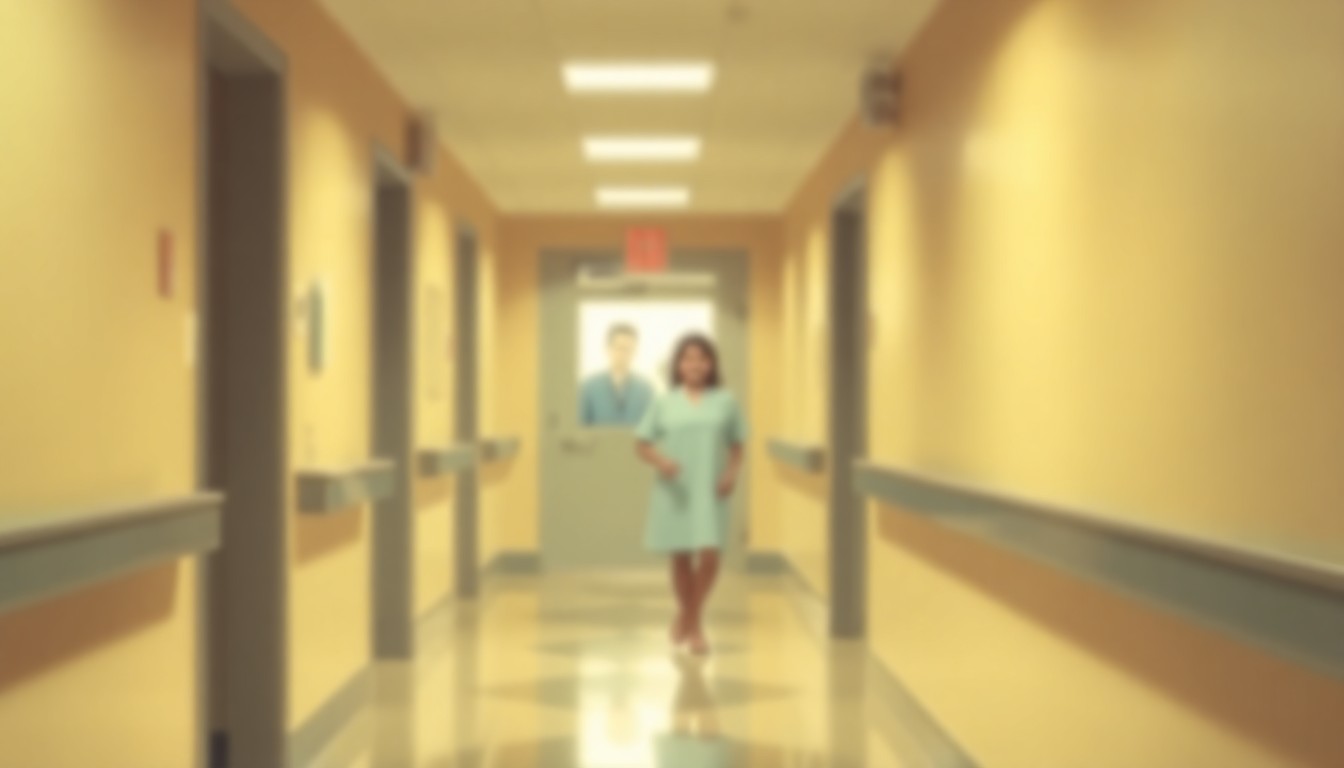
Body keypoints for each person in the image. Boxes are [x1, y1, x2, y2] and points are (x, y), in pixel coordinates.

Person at [635, 334, 746, 656]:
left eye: (701, 358)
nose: (694, 365)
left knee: (709, 556)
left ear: (711, 364)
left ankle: (687, 616)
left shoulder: (726, 401)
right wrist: (661, 460)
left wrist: (731, 473)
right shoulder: (663, 402)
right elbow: (641, 444)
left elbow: (738, 445)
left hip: (712, 488)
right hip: (676, 488)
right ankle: (695, 628)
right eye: (687, 359)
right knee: (681, 556)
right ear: (678, 366)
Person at [580, 323, 656, 427]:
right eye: (619, 347)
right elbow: (580, 426)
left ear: (635, 351)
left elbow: (651, 429)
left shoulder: (646, 389)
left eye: (628, 349)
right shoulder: (589, 386)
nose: (623, 354)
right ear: (608, 348)